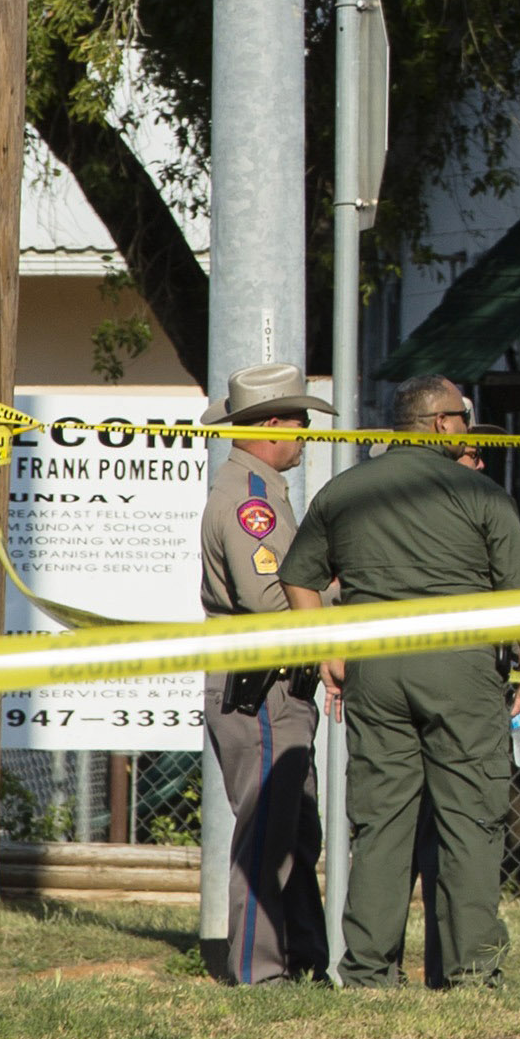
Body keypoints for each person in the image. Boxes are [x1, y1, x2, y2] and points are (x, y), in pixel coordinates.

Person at [276, 379, 520, 989]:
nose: (466, 426)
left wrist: (328, 647)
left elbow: (299, 577)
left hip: (377, 669)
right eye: (463, 417)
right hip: (460, 669)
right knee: (471, 819)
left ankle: (370, 972)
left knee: (382, 822)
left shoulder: (343, 491)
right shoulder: (479, 493)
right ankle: (472, 972)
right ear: (437, 424)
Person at [197, 364, 332, 986]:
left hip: (279, 683)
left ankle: (300, 958)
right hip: (263, 683)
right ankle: (258, 969)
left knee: (296, 827)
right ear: (272, 426)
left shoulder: (263, 490)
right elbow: (272, 600)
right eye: (300, 422)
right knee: (265, 832)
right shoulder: (249, 502)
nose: (306, 435)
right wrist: (339, 588)